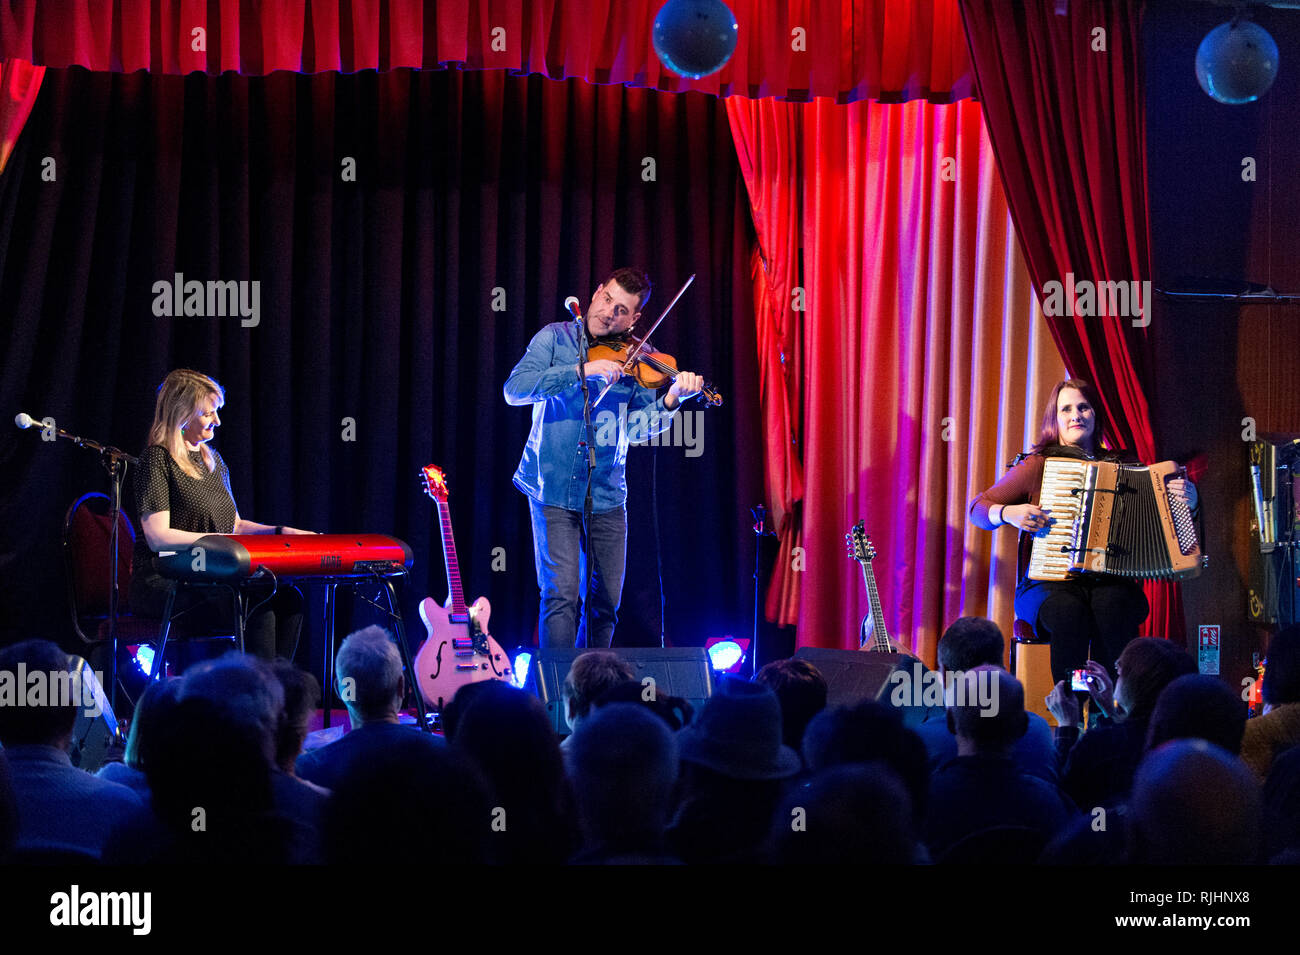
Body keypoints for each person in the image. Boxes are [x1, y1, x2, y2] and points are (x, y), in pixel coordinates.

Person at [504, 268, 704, 649]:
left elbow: (636, 430)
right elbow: (515, 389)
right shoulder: (555, 338)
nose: (610, 314)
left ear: (635, 319)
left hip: (607, 494)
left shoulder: (641, 358)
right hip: (551, 487)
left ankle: (588, 688)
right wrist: (584, 370)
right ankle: (556, 700)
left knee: (606, 603)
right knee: (560, 597)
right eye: (608, 300)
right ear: (596, 293)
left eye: (622, 310)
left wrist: (673, 400)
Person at [968, 378, 1198, 684]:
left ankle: (1110, 711)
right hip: (1049, 584)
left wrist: (1188, 503)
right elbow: (977, 509)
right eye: (1066, 409)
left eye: (1083, 407)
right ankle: (1071, 712)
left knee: (1113, 606)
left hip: (1111, 581)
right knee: (1068, 612)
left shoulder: (1127, 465)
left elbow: (1163, 520)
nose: (1075, 414)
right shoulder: (1038, 465)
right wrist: (1009, 513)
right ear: (1056, 420)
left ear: (1095, 415)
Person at [130, 369, 313, 661]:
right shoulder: (157, 459)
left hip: (207, 576)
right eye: (207, 413)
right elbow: (157, 537)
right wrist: (217, 542)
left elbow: (235, 525)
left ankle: (279, 692)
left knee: (289, 598)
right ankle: (258, 698)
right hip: (164, 580)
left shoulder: (212, 460)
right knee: (258, 601)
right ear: (182, 414)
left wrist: (280, 532)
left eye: (216, 412)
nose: (217, 420)